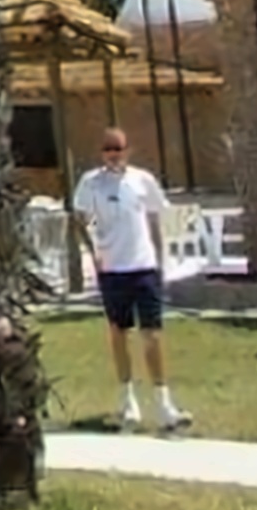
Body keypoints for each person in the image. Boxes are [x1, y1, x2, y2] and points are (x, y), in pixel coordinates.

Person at [71, 126, 192, 434]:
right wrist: (94, 250)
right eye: (108, 149)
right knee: (118, 332)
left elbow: (154, 219)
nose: (114, 155)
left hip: (143, 266)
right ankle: (128, 400)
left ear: (128, 151)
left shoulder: (142, 180)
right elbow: (80, 218)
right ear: (102, 153)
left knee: (152, 334)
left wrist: (161, 261)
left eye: (119, 149)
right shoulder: (91, 182)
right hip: (113, 269)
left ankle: (164, 405)